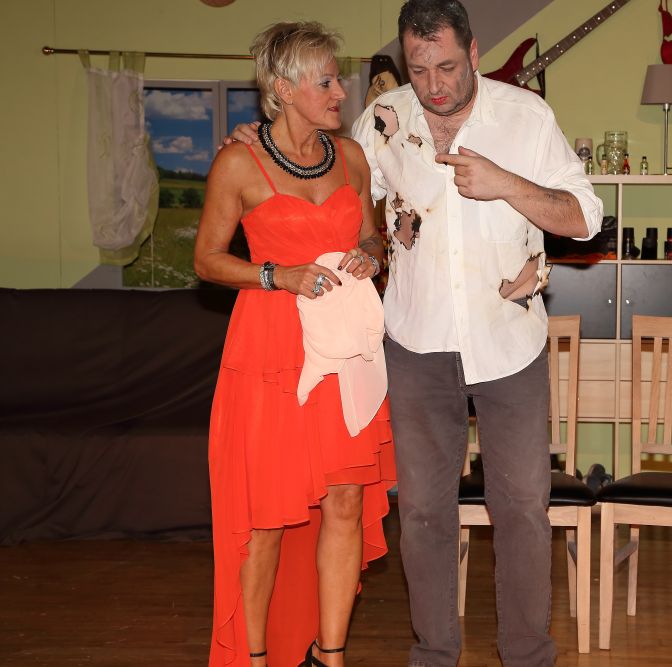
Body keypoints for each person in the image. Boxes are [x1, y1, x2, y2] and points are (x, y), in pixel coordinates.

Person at [228, 2, 602, 664]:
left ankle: (527, 656)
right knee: (425, 514)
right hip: (415, 345)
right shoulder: (382, 118)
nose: (434, 85)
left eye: (448, 67)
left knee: (522, 509)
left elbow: (585, 218)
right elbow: (325, 174)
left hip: (508, 345)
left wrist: (506, 184)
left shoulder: (526, 117)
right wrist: (256, 142)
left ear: (474, 52)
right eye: (420, 68)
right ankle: (434, 655)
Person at [194, 22, 395, 667]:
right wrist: (276, 275)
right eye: (326, 81)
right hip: (271, 352)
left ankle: (329, 655)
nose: (341, 92)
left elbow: (374, 238)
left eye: (338, 79)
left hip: (343, 352)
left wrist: (370, 255)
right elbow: (206, 259)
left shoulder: (352, 157)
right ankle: (254, 658)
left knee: (345, 500)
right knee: (267, 516)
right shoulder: (238, 162)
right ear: (282, 89)